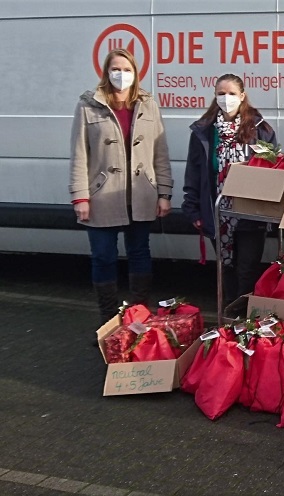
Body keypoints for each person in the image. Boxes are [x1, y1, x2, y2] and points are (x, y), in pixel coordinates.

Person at [69, 48, 173, 324]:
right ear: (106, 72)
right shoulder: (88, 104)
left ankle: (139, 319)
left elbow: (159, 152)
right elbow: (80, 154)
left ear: (136, 73)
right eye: (116, 69)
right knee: (103, 257)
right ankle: (108, 322)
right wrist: (80, 197)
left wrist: (164, 192)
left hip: (141, 195)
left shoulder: (148, 103)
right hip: (102, 196)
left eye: (127, 70)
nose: (121, 75)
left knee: (140, 254)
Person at [182, 74, 277, 307]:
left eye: (232, 94)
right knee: (226, 267)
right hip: (218, 212)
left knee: (247, 268)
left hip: (250, 213)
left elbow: (273, 169)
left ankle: (245, 318)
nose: (226, 99)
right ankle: (229, 318)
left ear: (242, 96)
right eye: (221, 94)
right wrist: (192, 209)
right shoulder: (204, 132)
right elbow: (194, 172)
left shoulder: (260, 129)